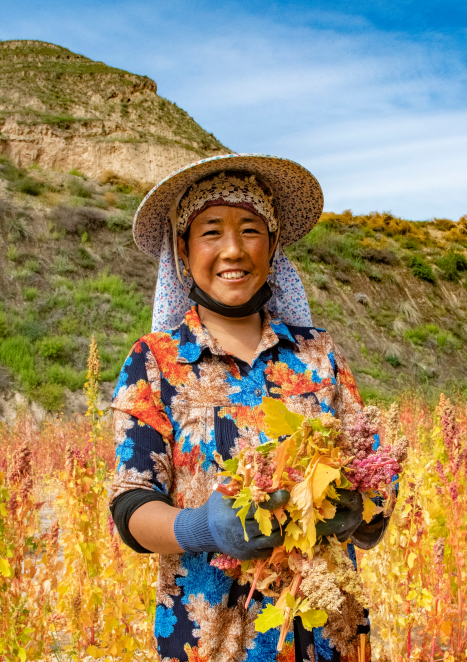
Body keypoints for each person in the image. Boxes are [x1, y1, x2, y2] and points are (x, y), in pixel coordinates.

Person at [108, 154, 389, 662]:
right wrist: (204, 527)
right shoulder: (156, 362)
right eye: (211, 231)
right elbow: (131, 508)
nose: (233, 249)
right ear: (183, 249)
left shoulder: (318, 355)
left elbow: (375, 479)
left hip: (329, 637)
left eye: (251, 230)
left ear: (273, 245)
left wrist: (360, 511)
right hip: (214, 641)